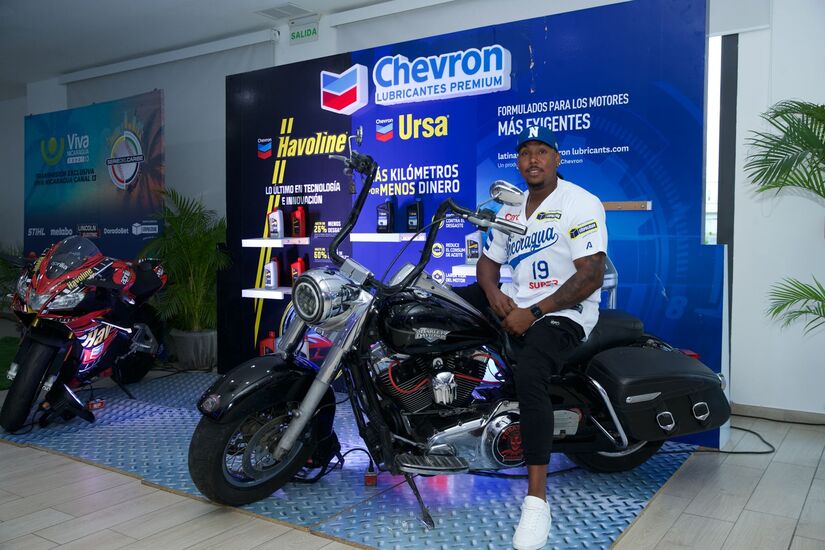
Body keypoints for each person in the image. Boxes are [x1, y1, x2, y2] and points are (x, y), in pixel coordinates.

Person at [458, 125, 607, 550]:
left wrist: (535, 312)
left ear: (557, 159)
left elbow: (591, 275)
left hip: (565, 313)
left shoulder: (580, 202)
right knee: (443, 306)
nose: (533, 159)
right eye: (525, 153)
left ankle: (537, 501)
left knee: (530, 375)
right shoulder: (509, 210)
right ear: (518, 162)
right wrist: (494, 294)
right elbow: (487, 264)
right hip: (519, 305)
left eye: (542, 151)